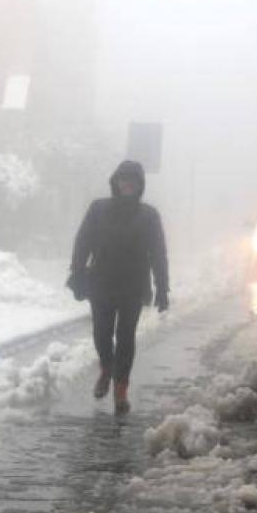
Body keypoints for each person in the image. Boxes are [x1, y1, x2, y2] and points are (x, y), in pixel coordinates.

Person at [70, 160, 169, 413]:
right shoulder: (98, 209)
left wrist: (162, 287)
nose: (128, 184)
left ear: (139, 185)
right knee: (102, 333)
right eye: (123, 179)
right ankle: (106, 367)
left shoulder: (149, 215)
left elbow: (158, 253)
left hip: (133, 287)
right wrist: (77, 272)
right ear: (115, 181)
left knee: (125, 338)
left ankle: (121, 389)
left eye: (133, 181)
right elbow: (83, 242)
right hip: (101, 283)